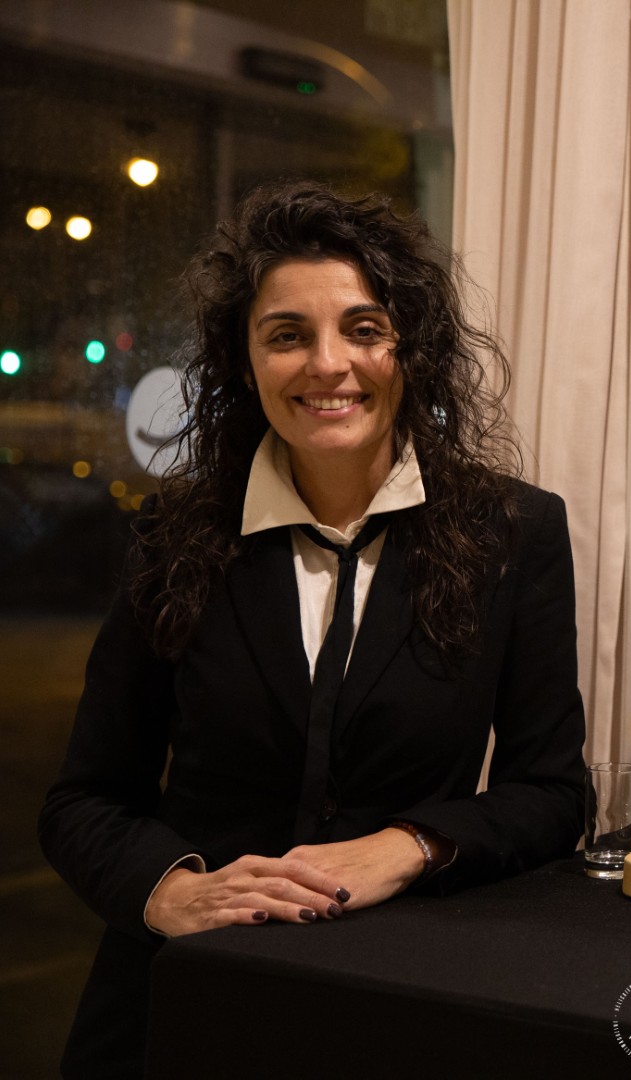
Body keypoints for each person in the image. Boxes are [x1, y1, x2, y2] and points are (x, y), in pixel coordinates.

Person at [38, 180, 589, 1077]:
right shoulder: (174, 534)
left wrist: (406, 847)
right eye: (288, 335)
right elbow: (83, 802)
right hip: (181, 1004)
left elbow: (554, 794)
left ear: (411, 348)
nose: (328, 364)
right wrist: (169, 890)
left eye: (364, 330)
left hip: (400, 1003)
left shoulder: (515, 532)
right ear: (243, 361)